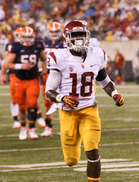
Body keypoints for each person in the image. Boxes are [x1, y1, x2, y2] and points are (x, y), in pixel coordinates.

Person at [45, 20, 124, 182]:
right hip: (67, 112)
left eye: (81, 34)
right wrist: (62, 98)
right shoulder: (59, 57)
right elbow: (49, 91)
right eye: (75, 35)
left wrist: (114, 93)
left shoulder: (97, 54)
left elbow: (105, 81)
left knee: (92, 150)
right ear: (67, 37)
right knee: (71, 160)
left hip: (89, 110)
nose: (79, 39)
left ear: (88, 36)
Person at [3, 26, 47, 140]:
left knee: (32, 103)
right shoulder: (15, 46)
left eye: (29, 37)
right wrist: (21, 66)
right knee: (22, 107)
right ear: (20, 37)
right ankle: (23, 126)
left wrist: (44, 71)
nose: (27, 39)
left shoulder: (38, 45)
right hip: (19, 79)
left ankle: (32, 129)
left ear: (33, 37)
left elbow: (44, 59)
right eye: (25, 37)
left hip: (33, 79)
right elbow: (7, 64)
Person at [40, 21, 65, 137]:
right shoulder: (44, 43)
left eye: (56, 31)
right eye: (52, 31)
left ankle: (65, 126)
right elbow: (42, 59)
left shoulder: (65, 43)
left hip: (63, 75)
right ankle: (48, 127)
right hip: (49, 75)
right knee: (47, 102)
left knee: (65, 101)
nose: (54, 33)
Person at [0, 27, 22, 129]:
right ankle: (16, 119)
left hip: (29, 75)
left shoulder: (34, 45)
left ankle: (37, 118)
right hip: (14, 74)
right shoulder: (12, 46)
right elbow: (6, 61)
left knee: (31, 97)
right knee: (14, 98)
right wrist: (2, 74)